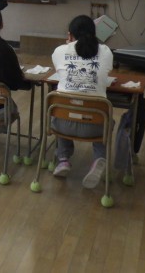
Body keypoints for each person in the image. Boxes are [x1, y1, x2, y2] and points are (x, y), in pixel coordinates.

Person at [50, 14, 114, 189]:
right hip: (95, 126)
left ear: (69, 34)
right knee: (103, 114)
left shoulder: (59, 51)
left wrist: (68, 45)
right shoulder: (106, 52)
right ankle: (99, 158)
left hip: (63, 124)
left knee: (65, 104)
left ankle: (63, 159)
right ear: (94, 34)